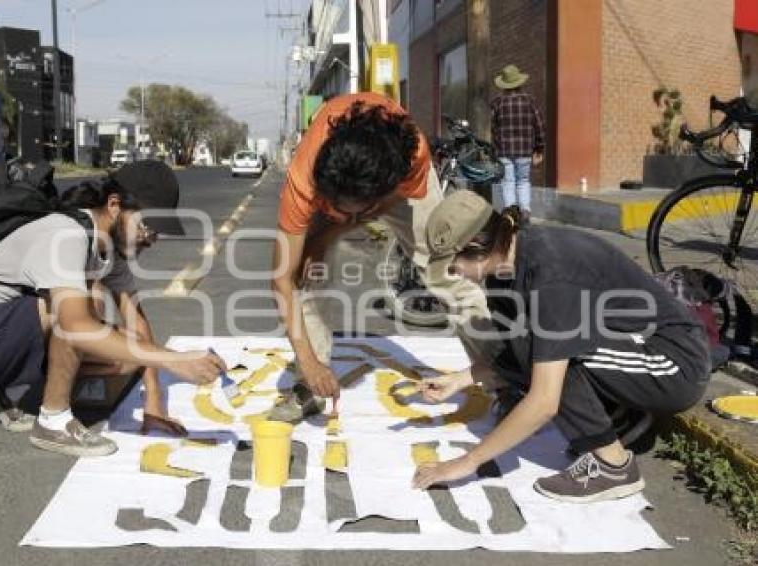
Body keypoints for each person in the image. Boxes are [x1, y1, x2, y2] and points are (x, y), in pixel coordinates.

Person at [411, 191, 711, 502]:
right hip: (630, 347)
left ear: (477, 248)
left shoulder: (551, 275)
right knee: (539, 348)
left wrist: (466, 462)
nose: (451, 273)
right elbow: (515, 351)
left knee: (553, 357)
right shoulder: (505, 268)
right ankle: (620, 415)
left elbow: (544, 401)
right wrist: (460, 379)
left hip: (675, 362)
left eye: (452, 263)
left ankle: (613, 466)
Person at [0, 177, 226, 457]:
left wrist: (154, 403)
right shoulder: (67, 235)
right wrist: (173, 360)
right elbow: (76, 326)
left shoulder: (109, 253)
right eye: (147, 226)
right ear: (114, 206)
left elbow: (136, 322)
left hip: (0, 335)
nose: (151, 239)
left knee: (127, 354)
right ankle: (52, 422)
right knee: (81, 310)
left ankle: (7, 379)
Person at [270, 92, 493, 422]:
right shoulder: (305, 176)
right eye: (335, 208)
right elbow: (280, 278)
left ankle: (500, 373)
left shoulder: (411, 155)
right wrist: (307, 359)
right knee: (306, 272)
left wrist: (335, 230)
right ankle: (313, 386)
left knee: (444, 269)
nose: (340, 215)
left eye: (352, 211)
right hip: (345, 185)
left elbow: (389, 201)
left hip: (396, 189)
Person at [490, 64, 545, 223]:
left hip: (504, 151)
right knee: (523, 181)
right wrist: (539, 148)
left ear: (505, 85)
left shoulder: (497, 103)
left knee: (507, 181)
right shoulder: (530, 101)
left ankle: (509, 213)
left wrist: (497, 146)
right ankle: (525, 210)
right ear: (519, 83)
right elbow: (540, 126)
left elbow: (493, 129)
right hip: (525, 151)